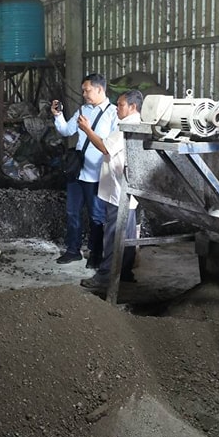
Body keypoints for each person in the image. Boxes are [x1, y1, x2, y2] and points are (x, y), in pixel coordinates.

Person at [77, 90, 143, 289]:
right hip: (128, 189)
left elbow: (105, 147)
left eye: (121, 105)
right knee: (128, 235)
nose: (117, 108)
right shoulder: (140, 124)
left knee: (114, 235)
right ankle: (125, 273)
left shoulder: (126, 127)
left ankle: (105, 276)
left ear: (132, 107)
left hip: (119, 191)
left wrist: (87, 129)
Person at [51, 73, 118, 267]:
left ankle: (96, 254)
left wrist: (89, 129)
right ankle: (73, 250)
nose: (84, 94)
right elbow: (66, 131)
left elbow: (111, 146)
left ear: (99, 89)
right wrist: (58, 115)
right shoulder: (82, 110)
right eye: (83, 91)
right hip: (77, 172)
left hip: (97, 174)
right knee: (72, 212)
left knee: (97, 216)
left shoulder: (113, 114)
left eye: (87, 90)